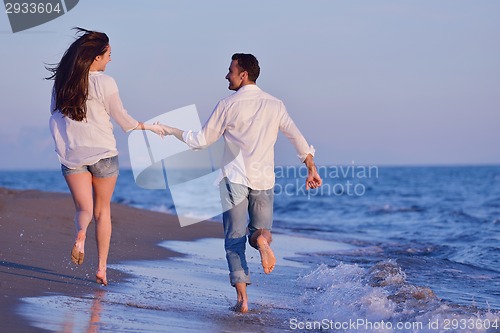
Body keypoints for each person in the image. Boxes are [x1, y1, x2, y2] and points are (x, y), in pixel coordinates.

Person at [157, 53, 322, 312]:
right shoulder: (275, 104)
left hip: (233, 178)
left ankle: (242, 301)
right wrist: (311, 167)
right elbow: (296, 137)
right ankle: (263, 243)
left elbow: (201, 140)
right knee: (260, 232)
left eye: (230, 71)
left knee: (234, 239)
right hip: (264, 179)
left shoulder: (227, 105)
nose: (227, 75)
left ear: (243, 74)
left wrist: (171, 130)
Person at [46, 28, 165, 286]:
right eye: (109, 54)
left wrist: (64, 149)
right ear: (96, 57)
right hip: (104, 155)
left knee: (84, 209)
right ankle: (101, 269)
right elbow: (124, 121)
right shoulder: (105, 82)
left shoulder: (63, 83)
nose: (110, 59)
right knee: (103, 212)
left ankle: (80, 235)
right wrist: (147, 126)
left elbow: (54, 119)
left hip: (73, 155)